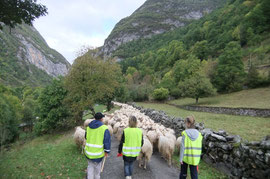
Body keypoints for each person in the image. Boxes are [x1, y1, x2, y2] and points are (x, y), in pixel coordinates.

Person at [84, 112, 111, 179]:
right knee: (97, 170)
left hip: (88, 153)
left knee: (90, 167)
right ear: (101, 119)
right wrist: (107, 151)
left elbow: (86, 137)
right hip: (98, 154)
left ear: (95, 118)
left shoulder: (88, 127)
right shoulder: (104, 128)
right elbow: (107, 141)